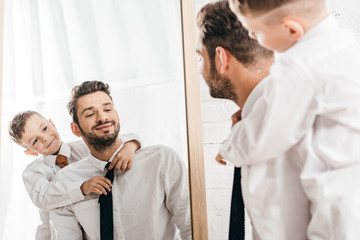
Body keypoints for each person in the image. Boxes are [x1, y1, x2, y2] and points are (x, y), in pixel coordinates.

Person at [217, 0, 360, 239]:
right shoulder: (344, 44)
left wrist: (229, 146)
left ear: (292, 30)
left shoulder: (299, 66)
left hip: (332, 202)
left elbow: (262, 136)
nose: (251, 35)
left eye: (255, 31)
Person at [49, 81, 191, 240]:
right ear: (76, 129)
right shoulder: (66, 180)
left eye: (107, 109)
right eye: (90, 114)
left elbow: (191, 227)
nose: (102, 118)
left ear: (116, 115)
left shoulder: (162, 160)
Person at [196, 1, 277, 239]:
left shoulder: (276, 127)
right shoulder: (258, 120)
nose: (200, 70)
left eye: (201, 57)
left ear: (221, 58)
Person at [8, 110, 141, 240]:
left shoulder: (85, 147)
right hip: (57, 233)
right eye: (35, 141)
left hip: (96, 223)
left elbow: (118, 139)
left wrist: (131, 145)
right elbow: (43, 198)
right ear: (30, 152)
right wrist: (82, 188)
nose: (45, 138)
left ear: (52, 124)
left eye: (44, 128)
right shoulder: (33, 171)